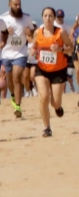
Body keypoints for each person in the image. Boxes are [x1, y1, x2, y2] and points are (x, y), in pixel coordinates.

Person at [34, 7, 73, 137]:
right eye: (45, 16)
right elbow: (34, 47)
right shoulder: (38, 33)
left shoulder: (60, 33)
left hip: (58, 70)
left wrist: (60, 49)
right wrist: (33, 52)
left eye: (50, 16)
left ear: (54, 18)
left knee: (55, 101)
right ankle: (46, 127)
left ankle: (57, 107)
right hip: (42, 69)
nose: (48, 19)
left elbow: (70, 48)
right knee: (43, 96)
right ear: (42, 17)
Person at [1, 0, 34, 118]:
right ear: (9, 5)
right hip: (6, 53)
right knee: (10, 80)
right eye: (15, 5)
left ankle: (18, 106)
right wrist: (5, 32)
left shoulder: (26, 18)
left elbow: (32, 31)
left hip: (20, 53)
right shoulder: (3, 18)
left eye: (19, 4)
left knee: (17, 77)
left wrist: (29, 33)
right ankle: (14, 96)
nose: (18, 7)